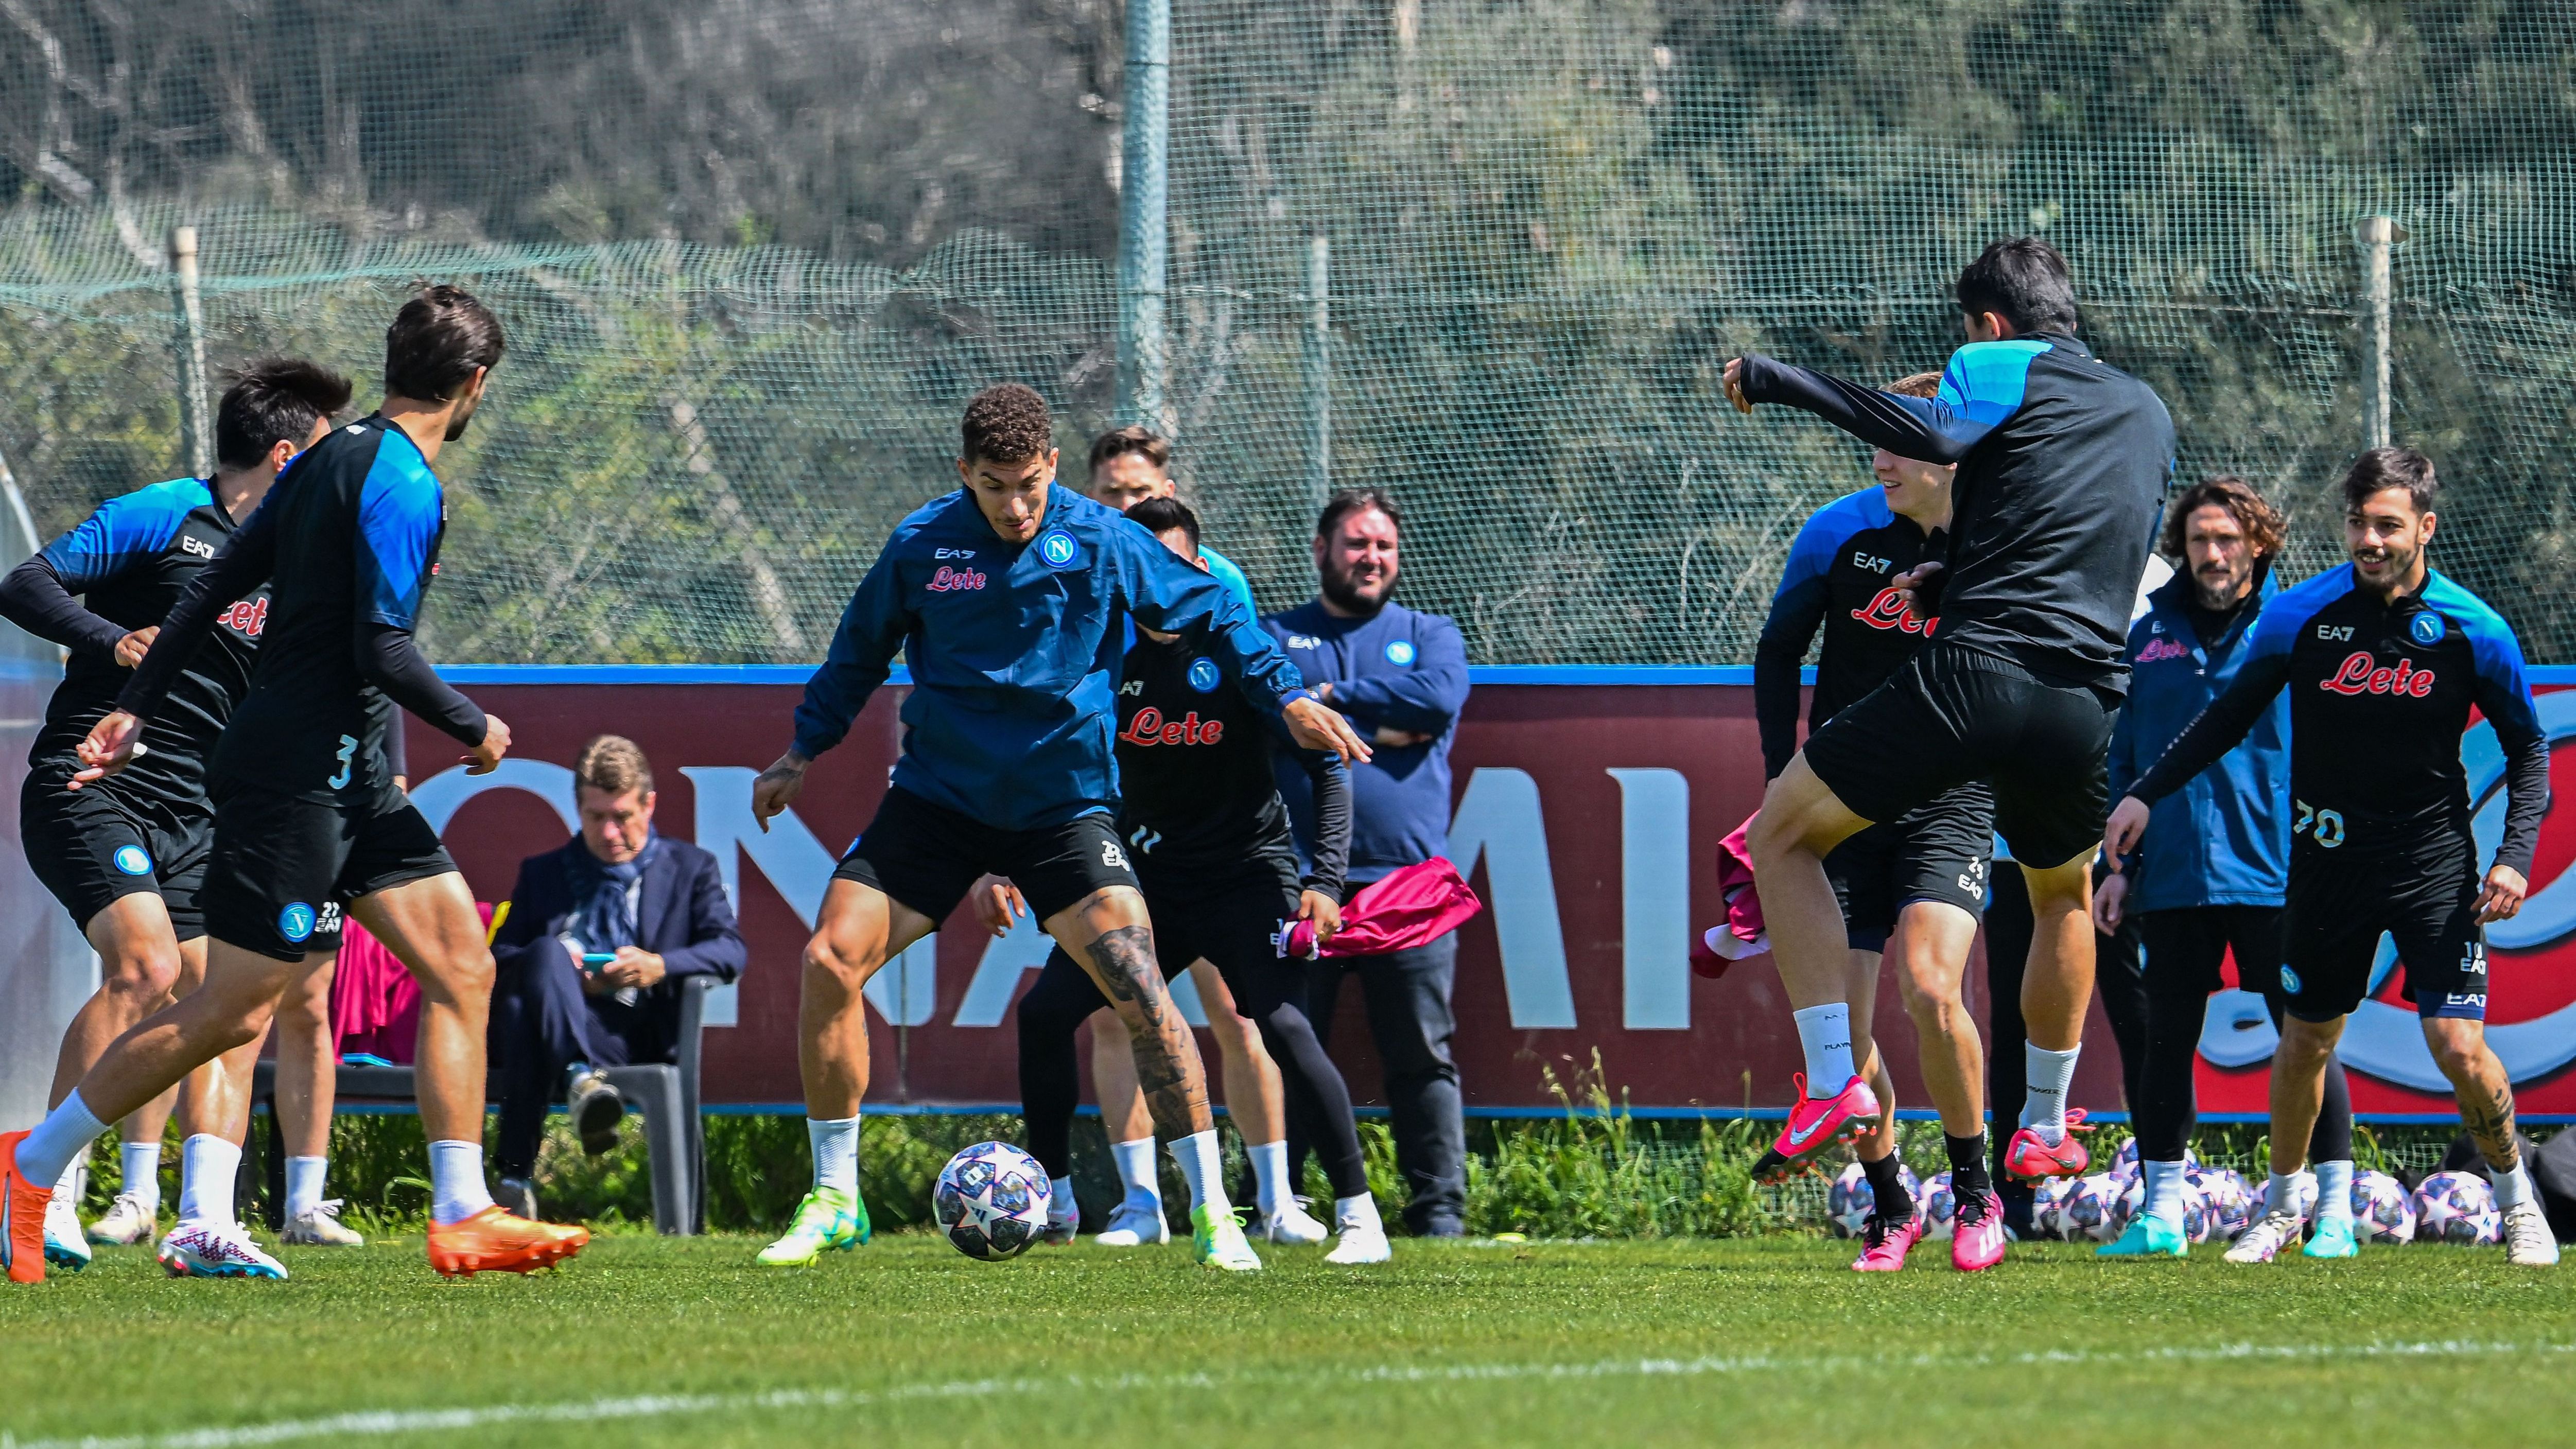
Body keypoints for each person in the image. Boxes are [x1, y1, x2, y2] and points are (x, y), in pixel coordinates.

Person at [0, 286, 590, 1284]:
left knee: (461, 964)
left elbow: (217, 587)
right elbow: (382, 645)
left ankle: (462, 1211)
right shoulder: (403, 482)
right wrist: (472, 724)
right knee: (225, 1012)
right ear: (476, 384)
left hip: (348, 774)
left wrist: (135, 702)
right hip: (297, 777)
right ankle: (34, 1165)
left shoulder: (322, 458)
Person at [745, 383, 1369, 1273]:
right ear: (965, 473)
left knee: (1138, 982)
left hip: (1062, 807)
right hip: (940, 801)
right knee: (827, 961)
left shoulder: (1103, 536)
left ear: (1048, 469)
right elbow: (858, 651)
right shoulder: (922, 545)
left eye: (1029, 485)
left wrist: (1284, 696)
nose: (1015, 506)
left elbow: (1214, 609)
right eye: (994, 486)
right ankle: (836, 1197)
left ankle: (1212, 1216)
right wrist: (802, 750)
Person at [1721, 237, 2172, 1187]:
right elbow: (2081, 542)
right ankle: (2043, 1123)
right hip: (2084, 700)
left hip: (1975, 677)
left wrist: (1777, 377)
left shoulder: (1988, 361)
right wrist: (1952, 575)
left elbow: (1933, 437)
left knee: (1777, 839)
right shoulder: (2143, 408)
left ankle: (1832, 1083)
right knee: (2059, 897)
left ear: (1988, 324)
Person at [2106, 447, 2557, 1267]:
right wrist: (2144, 790)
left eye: (2388, 524)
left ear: (2425, 526)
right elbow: (2225, 719)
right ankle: (2283, 1210)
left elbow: (2529, 750)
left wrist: (2515, 857)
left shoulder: (2473, 627)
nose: (2370, 539)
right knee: (2305, 1040)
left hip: (2432, 867)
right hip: (2322, 868)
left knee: (2457, 1045)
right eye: (2358, 523)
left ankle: (2519, 1200)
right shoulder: (2301, 618)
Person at [0, 358, 363, 1274]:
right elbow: (25, 584)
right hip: (94, 785)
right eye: (322, 458)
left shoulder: (293, 562)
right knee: (147, 968)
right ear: (285, 458)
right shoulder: (165, 512)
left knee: (233, 1005)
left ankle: (205, 1220)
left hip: (205, 811)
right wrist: (110, 638)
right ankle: (44, 1196)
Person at [1008, 497, 1389, 1263]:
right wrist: (1001, 861)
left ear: (1199, 569)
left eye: (1177, 567)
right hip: (1151, 880)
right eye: (1145, 568)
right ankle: (1052, 1195)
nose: (1161, 582)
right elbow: (1040, 760)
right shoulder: (1098, 653)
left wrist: (1327, 881)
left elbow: (1326, 761)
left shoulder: (1242, 648)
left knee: (1280, 1026)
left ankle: (1360, 1216)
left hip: (1250, 873)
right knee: (1045, 1012)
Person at [1749, 372, 2003, 1272]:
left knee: (1932, 993)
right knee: (1843, 1039)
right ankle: (1892, 1205)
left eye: (1898, 440)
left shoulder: (1996, 540)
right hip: (1848, 802)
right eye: (1874, 439)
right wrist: (1781, 776)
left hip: (1950, 798)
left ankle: (1976, 1196)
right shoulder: (1837, 532)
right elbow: (1778, 649)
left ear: (1953, 450)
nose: (1880, 455)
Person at [1057, 427, 1324, 1245]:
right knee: (1113, 1014)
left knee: (1237, 1014)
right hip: (1117, 830)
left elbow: (1252, 693)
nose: (1127, 507)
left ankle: (1276, 1200)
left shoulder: (1218, 579)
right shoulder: (1077, 583)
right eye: (1111, 494)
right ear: (1091, 499)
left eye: (1140, 492)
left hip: (1214, 841)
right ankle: (1143, 1204)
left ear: (1168, 491)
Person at [2092, 476, 2353, 1258]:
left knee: (2305, 1040)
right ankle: (2164, 1215)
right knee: (2166, 1042)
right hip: (2172, 875)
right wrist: (2115, 867)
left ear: (2259, 544)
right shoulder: (2150, 634)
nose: (2213, 553)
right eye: (2201, 539)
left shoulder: (2298, 627)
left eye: (2229, 539)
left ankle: (2332, 1211)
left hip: (2282, 872)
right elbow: (2127, 759)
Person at [1266, 488, 1472, 1237]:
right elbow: (1271, 719)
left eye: (1383, 544)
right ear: (1321, 550)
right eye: (1356, 543)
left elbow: (1439, 698)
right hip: (1295, 882)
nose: (1371, 557)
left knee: (1422, 1053)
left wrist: (1328, 701)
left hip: (1408, 885)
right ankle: (1278, 1202)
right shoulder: (1273, 636)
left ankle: (1439, 1211)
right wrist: (1381, 725)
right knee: (1284, 1047)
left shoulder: (1430, 632)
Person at [486, 735, 744, 1219]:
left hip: (629, 1032)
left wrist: (657, 965)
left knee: (530, 1013)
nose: (608, 833)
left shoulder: (691, 868)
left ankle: (513, 1181)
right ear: (577, 808)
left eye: (622, 816)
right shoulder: (543, 873)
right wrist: (563, 973)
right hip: (552, 1017)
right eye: (595, 816)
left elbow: (730, 949)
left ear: (649, 805)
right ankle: (581, 1079)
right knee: (545, 956)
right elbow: (500, 957)